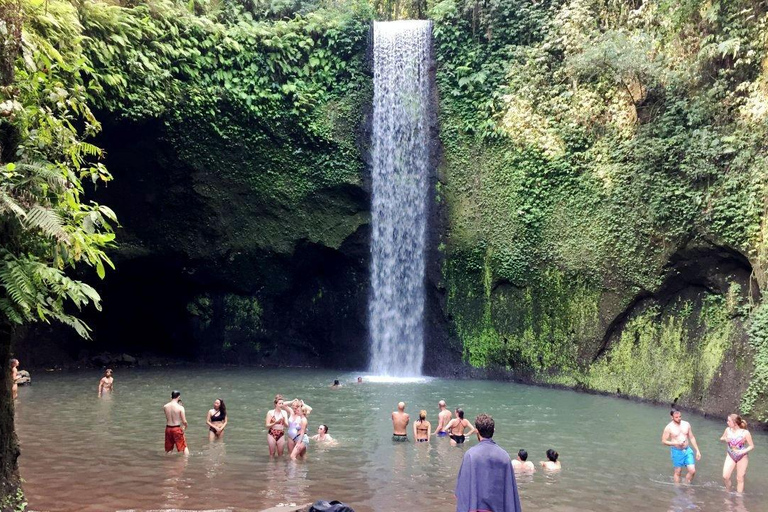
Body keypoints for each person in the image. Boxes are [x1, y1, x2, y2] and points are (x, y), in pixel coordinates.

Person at [455, 414, 521, 512]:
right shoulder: (504, 456)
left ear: (477, 431)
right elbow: (510, 494)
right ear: (493, 430)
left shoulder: (471, 455)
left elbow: (463, 491)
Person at [662, 409, 702, 483]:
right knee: (678, 472)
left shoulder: (686, 424)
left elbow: (692, 437)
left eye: (680, 416)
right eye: (676, 417)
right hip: (676, 451)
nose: (679, 419)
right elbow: (664, 441)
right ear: (672, 417)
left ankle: (686, 484)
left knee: (692, 470)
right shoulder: (669, 427)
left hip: (687, 450)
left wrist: (697, 450)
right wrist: (675, 443)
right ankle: (678, 489)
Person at [720, 413, 754, 493]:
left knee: (740, 478)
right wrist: (725, 439)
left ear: (734, 423)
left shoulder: (745, 433)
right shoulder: (727, 430)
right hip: (730, 454)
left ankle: (739, 497)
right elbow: (721, 438)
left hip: (742, 456)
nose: (727, 422)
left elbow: (751, 446)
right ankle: (728, 490)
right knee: (725, 476)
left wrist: (742, 451)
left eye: (729, 421)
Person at [164, 390, 189, 455]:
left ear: (171, 396)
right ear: (179, 397)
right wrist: (186, 426)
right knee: (184, 446)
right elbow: (184, 421)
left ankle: (167, 462)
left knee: (169, 448)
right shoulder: (180, 407)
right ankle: (186, 462)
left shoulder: (165, 406)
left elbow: (167, 418)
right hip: (176, 428)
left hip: (168, 428)